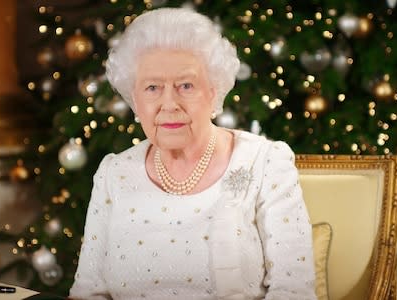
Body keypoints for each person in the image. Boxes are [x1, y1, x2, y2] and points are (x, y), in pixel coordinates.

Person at [69, 7, 316, 300]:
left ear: (214, 91)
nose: (169, 103)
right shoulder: (114, 174)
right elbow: (87, 292)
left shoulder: (265, 163)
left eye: (186, 85)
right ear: (134, 99)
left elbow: (294, 291)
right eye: (152, 88)